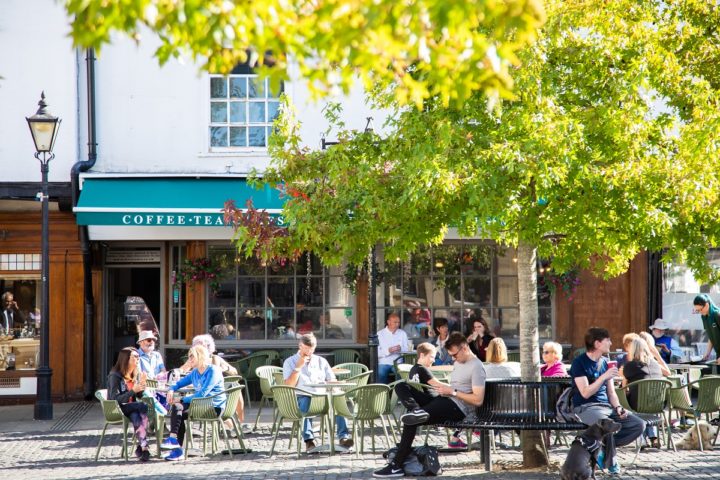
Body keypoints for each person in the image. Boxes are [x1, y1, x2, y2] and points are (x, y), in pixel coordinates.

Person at [373, 332, 486, 478]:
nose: (453, 358)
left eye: (454, 355)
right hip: (446, 400)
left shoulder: (476, 366)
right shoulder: (459, 362)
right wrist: (446, 391)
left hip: (458, 409)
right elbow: (453, 388)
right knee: (402, 386)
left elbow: (478, 400)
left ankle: (396, 465)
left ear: (464, 347)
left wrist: (453, 392)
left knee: (411, 419)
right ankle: (416, 410)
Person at [570, 327, 645, 475]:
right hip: (586, 407)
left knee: (638, 424)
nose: (610, 343)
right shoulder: (579, 363)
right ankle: (611, 461)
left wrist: (618, 407)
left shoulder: (605, 362)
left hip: (606, 407)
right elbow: (585, 393)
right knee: (607, 424)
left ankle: (604, 448)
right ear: (597, 343)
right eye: (607, 340)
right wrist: (603, 377)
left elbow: (611, 392)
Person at [282, 333, 353, 451]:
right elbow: (289, 385)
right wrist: (298, 367)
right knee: (305, 400)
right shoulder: (290, 362)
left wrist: (338, 384)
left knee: (339, 398)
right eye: (306, 349)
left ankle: (343, 438)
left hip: (323, 396)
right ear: (300, 346)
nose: (309, 352)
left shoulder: (321, 361)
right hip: (303, 395)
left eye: (312, 349)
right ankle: (309, 440)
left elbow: (331, 379)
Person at [161, 345, 226, 461]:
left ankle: (176, 447)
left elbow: (203, 394)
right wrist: (171, 389)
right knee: (177, 408)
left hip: (213, 408)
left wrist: (181, 399)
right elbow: (179, 383)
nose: (189, 359)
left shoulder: (213, 371)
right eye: (189, 356)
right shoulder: (195, 372)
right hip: (199, 405)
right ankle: (175, 445)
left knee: (179, 405)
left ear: (200, 356)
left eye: (192, 356)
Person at [407, 342, 466, 448]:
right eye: (432, 357)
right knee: (464, 406)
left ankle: (456, 439)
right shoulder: (422, 369)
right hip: (432, 402)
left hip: (423, 403)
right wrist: (455, 388)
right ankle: (456, 439)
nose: (434, 361)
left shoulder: (413, 369)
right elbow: (437, 384)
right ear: (422, 355)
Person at [107, 347, 151, 462]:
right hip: (118, 408)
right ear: (126, 359)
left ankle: (143, 447)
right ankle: (143, 445)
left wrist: (142, 384)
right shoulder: (115, 375)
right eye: (135, 357)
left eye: (138, 357)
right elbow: (114, 399)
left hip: (131, 408)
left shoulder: (134, 374)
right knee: (143, 406)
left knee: (137, 415)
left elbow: (139, 396)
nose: (138, 359)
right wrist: (133, 391)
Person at [621, 337, 663, 448]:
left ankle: (641, 438)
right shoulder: (655, 364)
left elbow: (624, 387)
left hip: (638, 403)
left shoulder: (630, 366)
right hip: (658, 403)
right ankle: (653, 436)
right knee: (646, 403)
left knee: (627, 399)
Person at [377, 313, 410, 384]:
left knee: (401, 374)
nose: (397, 324)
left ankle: (397, 392)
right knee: (380, 373)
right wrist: (388, 351)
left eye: (398, 322)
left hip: (398, 362)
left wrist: (400, 349)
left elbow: (407, 349)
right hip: (384, 362)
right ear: (388, 322)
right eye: (395, 322)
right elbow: (376, 353)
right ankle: (383, 391)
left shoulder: (402, 333)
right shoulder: (380, 334)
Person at [693, 294, 720, 364]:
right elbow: (711, 336)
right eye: (697, 311)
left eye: (700, 309)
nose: (700, 312)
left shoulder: (717, 314)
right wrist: (707, 353)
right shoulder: (704, 317)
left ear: (707, 305)